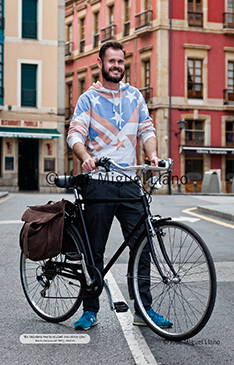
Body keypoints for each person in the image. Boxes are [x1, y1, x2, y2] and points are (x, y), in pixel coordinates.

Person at [67, 41, 172, 330]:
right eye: (110, 61)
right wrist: (85, 156)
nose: (116, 66)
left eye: (120, 61)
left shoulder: (135, 96)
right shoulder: (88, 99)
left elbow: (147, 129)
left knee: (143, 246)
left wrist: (152, 155)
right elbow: (74, 134)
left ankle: (143, 309)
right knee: (95, 250)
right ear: (100, 64)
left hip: (129, 183)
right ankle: (90, 310)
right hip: (98, 184)